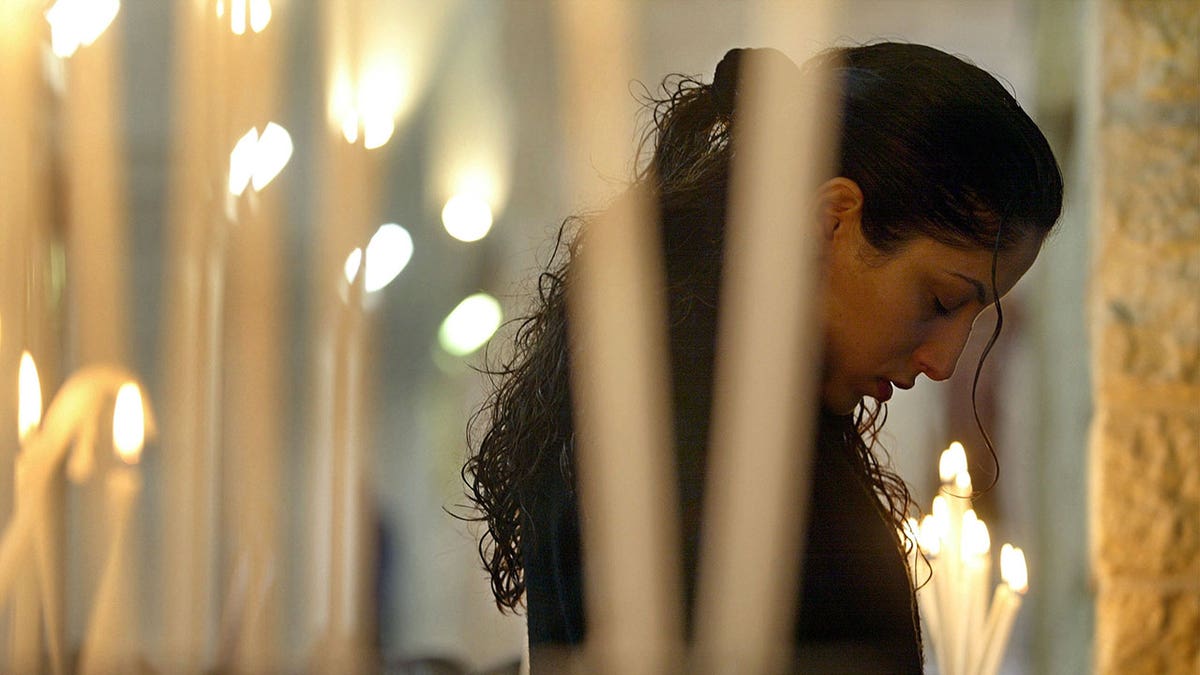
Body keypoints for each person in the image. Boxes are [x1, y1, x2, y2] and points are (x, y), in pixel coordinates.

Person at [462, 43, 1063, 671]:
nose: (943, 361)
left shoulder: (695, 398)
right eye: (940, 300)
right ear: (833, 220)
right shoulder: (699, 443)